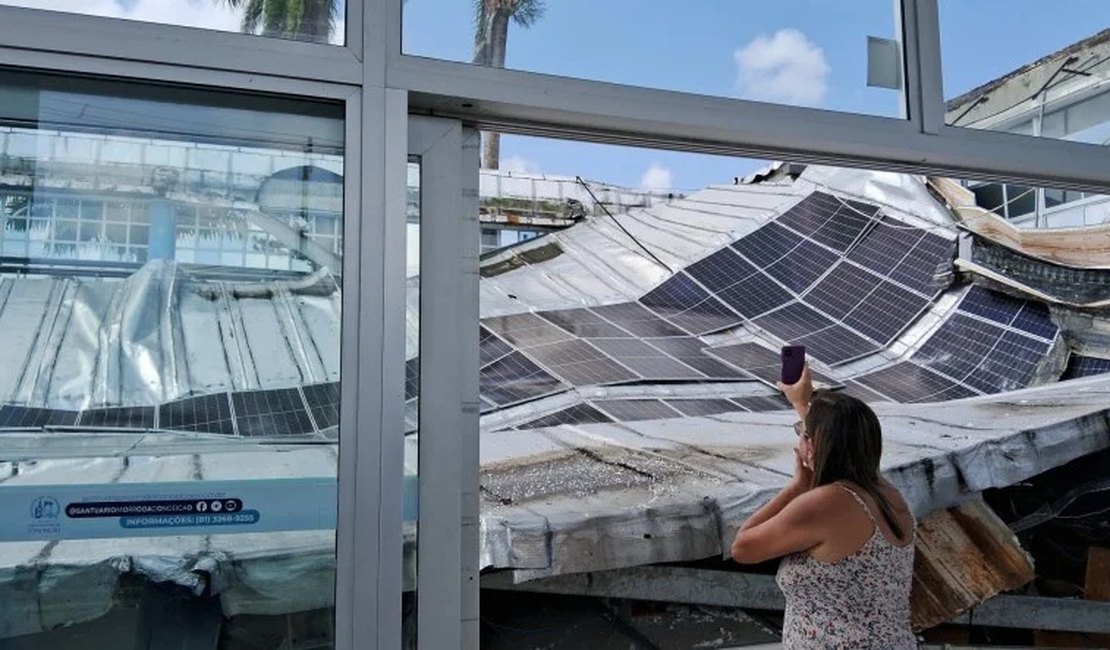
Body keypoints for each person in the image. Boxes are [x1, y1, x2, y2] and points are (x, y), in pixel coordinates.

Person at [730, 365, 917, 649]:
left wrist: (796, 487)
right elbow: (840, 437)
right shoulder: (884, 491)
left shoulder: (825, 503)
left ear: (815, 446)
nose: (799, 440)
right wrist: (801, 404)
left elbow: (743, 547)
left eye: (803, 434)